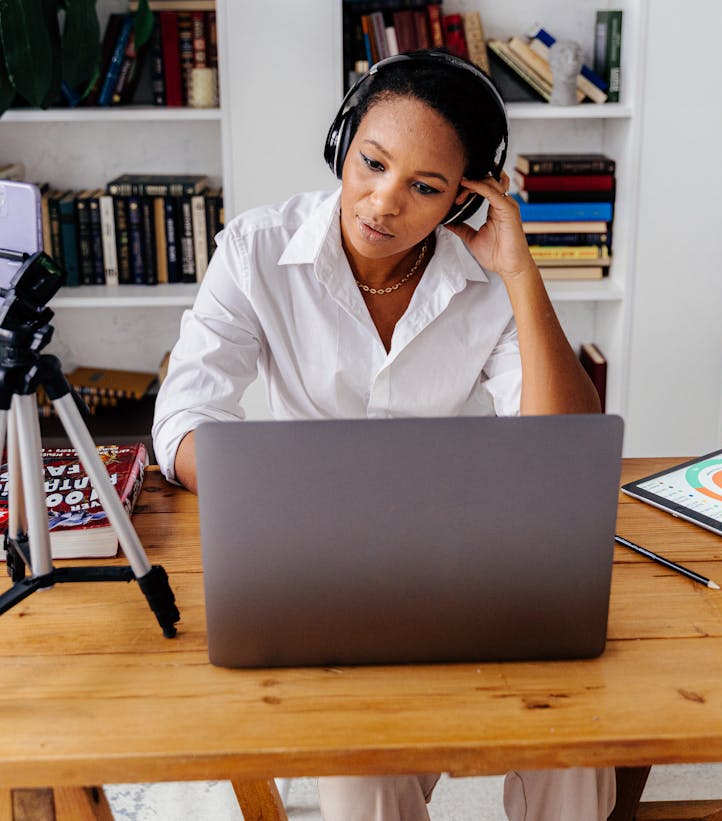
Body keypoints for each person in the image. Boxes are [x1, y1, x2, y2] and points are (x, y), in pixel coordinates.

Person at [152, 50, 614, 821]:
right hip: (319, 568)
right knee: (363, 775)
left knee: (578, 754)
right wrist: (287, 487)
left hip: (478, 565)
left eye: (426, 187)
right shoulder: (256, 251)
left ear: (465, 199)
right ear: (342, 141)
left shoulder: (487, 278)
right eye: (371, 162)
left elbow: (561, 445)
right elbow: (181, 423)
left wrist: (521, 272)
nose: (382, 201)